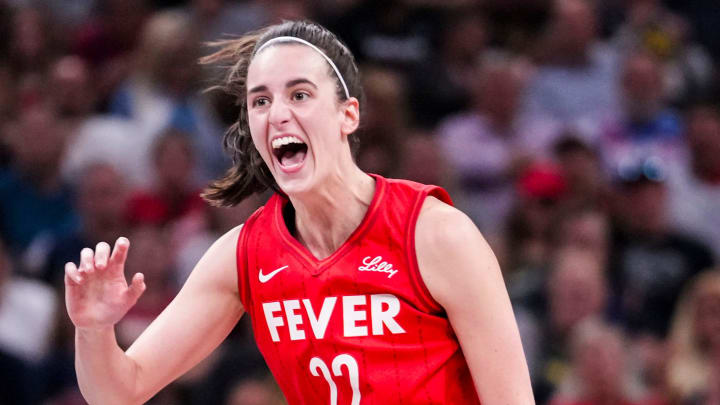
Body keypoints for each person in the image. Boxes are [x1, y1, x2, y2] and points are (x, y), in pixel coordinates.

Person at [64, 20, 533, 404]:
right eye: (261, 101)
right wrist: (94, 329)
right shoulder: (244, 255)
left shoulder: (436, 235)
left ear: (348, 115)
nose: (277, 114)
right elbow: (119, 393)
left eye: (300, 95)